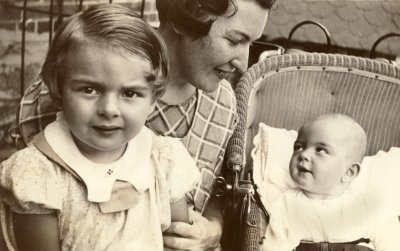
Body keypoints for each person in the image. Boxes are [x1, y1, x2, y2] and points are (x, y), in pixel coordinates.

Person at [9, 0, 276, 249]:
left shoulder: (224, 104)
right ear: (186, 19)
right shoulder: (63, 92)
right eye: (234, 40)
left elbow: (218, 189)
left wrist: (214, 227)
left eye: (250, 43)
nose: (244, 63)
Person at [0, 4, 200, 251]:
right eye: (89, 90)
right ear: (58, 90)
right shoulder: (39, 176)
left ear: (153, 100)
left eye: (130, 93)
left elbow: (180, 242)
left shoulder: (163, 161)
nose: (109, 109)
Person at [263, 113, 400, 251]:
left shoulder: (366, 205)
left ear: (349, 172)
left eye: (320, 150)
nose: (303, 154)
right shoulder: (287, 204)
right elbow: (274, 247)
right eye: (299, 147)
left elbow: (391, 242)